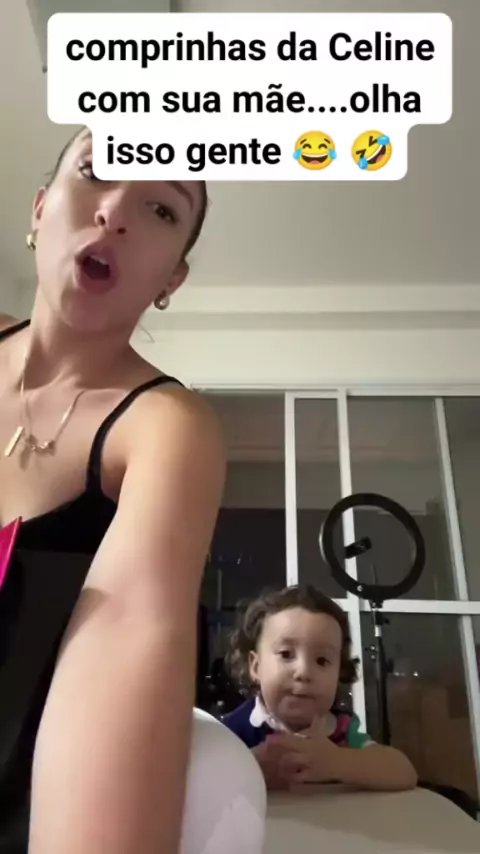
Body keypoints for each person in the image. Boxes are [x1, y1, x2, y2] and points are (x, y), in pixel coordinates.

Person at [0, 127, 266, 854]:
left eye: (161, 209)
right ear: (40, 208)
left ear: (171, 278)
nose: (115, 211)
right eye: (96, 172)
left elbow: (129, 633)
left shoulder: (166, 429)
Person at [222, 584, 417, 792]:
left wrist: (339, 762)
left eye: (322, 661)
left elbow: (405, 773)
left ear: (339, 673)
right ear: (256, 666)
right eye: (286, 654)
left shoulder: (341, 732)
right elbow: (201, 783)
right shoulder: (230, 732)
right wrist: (249, 768)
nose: (304, 672)